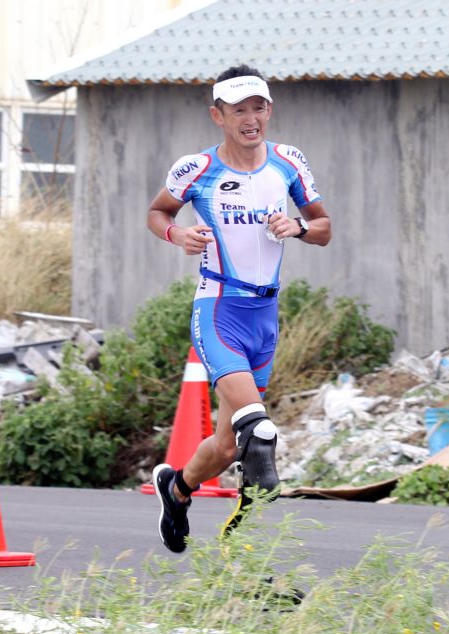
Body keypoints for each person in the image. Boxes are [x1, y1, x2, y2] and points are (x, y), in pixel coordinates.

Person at [146, 64, 331, 553]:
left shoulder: (288, 162)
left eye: (259, 107)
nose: (251, 119)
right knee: (260, 430)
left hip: (265, 319)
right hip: (219, 309)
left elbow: (325, 226)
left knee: (229, 445)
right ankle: (246, 546)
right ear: (218, 116)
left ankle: (177, 488)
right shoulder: (198, 169)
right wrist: (177, 233)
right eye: (239, 110)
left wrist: (300, 228)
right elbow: (158, 211)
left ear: (270, 110)